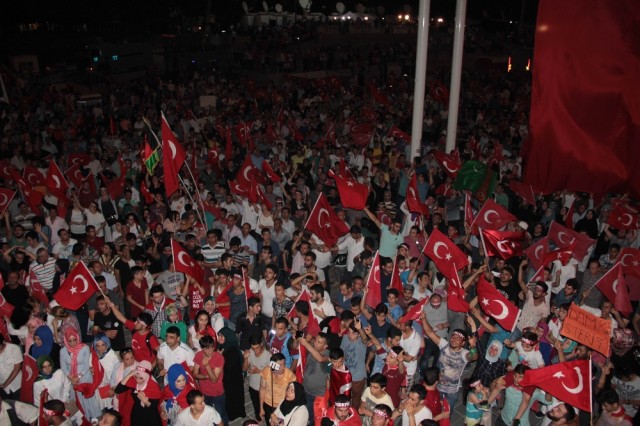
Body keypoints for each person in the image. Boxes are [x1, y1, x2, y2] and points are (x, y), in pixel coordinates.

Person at [59, 328, 102, 420]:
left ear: (78, 338)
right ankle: (83, 418)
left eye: (75, 340)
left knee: (88, 398)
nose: (73, 343)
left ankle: (94, 417)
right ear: (66, 340)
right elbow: (63, 366)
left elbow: (86, 364)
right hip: (71, 379)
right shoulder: (62, 351)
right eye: (70, 341)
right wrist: (71, 378)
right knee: (77, 399)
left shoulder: (84, 348)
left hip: (85, 376)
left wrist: (78, 377)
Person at [114, 360, 163, 426]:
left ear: (146, 376)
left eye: (141, 378)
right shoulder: (133, 381)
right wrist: (129, 375)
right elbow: (117, 390)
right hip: (137, 414)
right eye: (136, 377)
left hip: (151, 417)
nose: (138, 380)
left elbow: (155, 406)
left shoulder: (153, 386)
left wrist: (145, 401)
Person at [192, 334, 227, 424]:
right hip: (203, 392)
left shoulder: (219, 358)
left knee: (220, 415)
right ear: (202, 348)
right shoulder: (199, 355)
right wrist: (206, 376)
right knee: (207, 415)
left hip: (217, 393)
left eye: (211, 347)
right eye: (206, 348)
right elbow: (195, 374)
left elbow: (214, 380)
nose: (210, 351)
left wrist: (207, 366)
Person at [217, 326, 245, 421]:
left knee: (233, 398)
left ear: (228, 337)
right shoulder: (221, 347)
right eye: (219, 336)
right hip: (225, 379)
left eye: (222, 336)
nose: (219, 338)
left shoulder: (232, 350)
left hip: (233, 380)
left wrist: (220, 358)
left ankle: (234, 414)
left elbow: (229, 366)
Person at [259, 352, 297, 421]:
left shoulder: (290, 375)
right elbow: (262, 389)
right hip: (268, 404)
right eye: (279, 365)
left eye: (284, 364)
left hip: (282, 406)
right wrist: (261, 408)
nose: (282, 367)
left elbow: (294, 393)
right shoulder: (266, 371)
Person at [243, 336, 271, 422]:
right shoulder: (250, 352)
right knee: (256, 405)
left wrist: (258, 371)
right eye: (253, 348)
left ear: (261, 344)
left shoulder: (268, 356)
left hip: (264, 387)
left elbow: (271, 374)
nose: (255, 350)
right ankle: (258, 419)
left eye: (257, 348)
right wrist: (245, 358)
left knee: (266, 407)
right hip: (253, 385)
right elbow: (244, 369)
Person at [109, 348, 137, 426]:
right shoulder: (118, 366)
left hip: (128, 397)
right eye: (127, 359)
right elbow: (112, 378)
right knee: (118, 416)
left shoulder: (137, 366)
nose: (131, 361)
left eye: (132, 357)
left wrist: (118, 391)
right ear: (122, 360)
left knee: (128, 417)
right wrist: (113, 388)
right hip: (116, 394)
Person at [94, 333, 120, 410]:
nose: (100, 348)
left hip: (111, 387)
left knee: (112, 408)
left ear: (107, 344)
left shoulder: (112, 356)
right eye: (98, 345)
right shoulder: (94, 355)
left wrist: (113, 388)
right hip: (100, 387)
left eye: (103, 345)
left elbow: (117, 373)